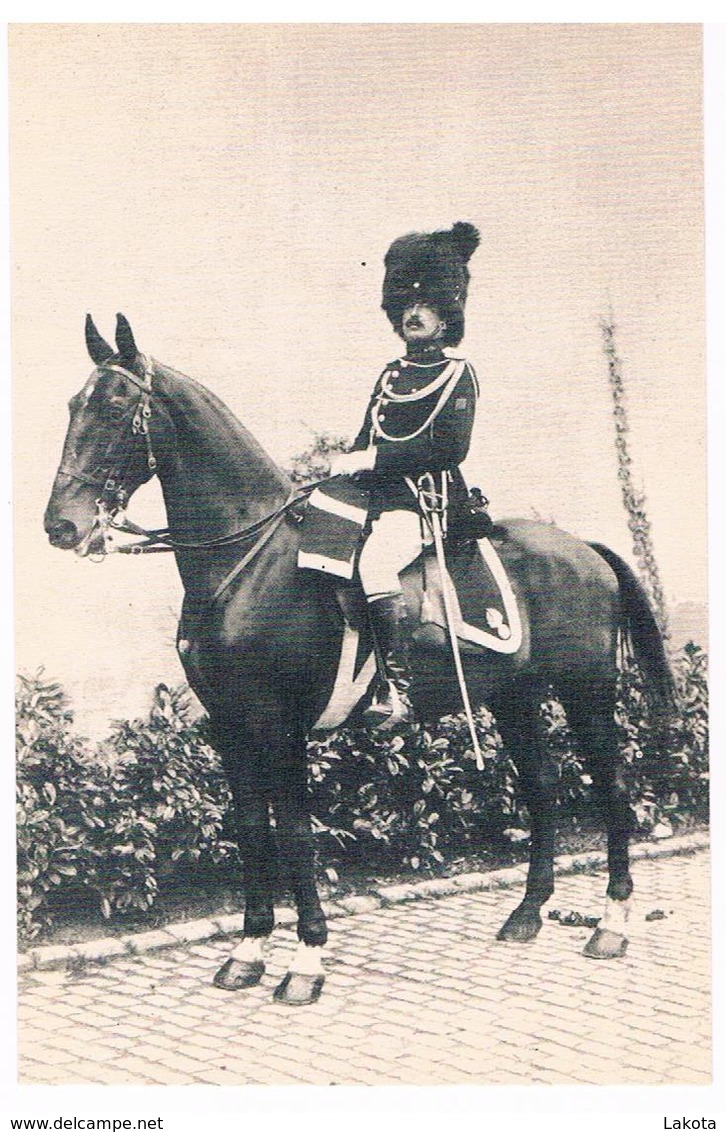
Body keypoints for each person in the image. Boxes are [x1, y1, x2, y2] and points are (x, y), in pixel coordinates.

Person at [330, 221, 481, 727]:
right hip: (373, 497)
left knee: (374, 564)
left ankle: (395, 687)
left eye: (427, 307)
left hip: (422, 502)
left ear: (446, 317)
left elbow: (449, 448)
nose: (414, 314)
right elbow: (363, 439)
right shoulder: (389, 374)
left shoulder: (457, 373)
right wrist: (336, 472)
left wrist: (370, 460)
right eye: (406, 308)